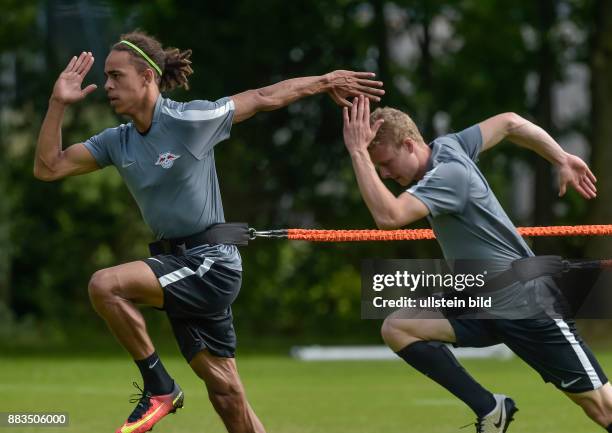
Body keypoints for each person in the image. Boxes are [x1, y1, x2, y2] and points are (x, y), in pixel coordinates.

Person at [33, 30, 384, 433]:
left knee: (104, 285)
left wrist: (324, 81)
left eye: (116, 76)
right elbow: (49, 167)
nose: (108, 86)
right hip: (178, 265)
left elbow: (262, 97)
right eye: (107, 78)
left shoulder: (188, 120)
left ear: (147, 77)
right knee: (226, 394)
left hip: (210, 266)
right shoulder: (117, 141)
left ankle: (159, 387)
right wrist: (57, 102)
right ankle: (167, 388)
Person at [341, 94, 612, 432]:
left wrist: (356, 153)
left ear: (409, 145)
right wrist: (561, 157)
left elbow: (389, 215)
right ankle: (491, 409)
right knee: (399, 326)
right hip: (480, 300)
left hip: (525, 304)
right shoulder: (451, 146)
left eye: (386, 163)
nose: (382, 174)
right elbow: (510, 121)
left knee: (603, 408)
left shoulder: (448, 174)